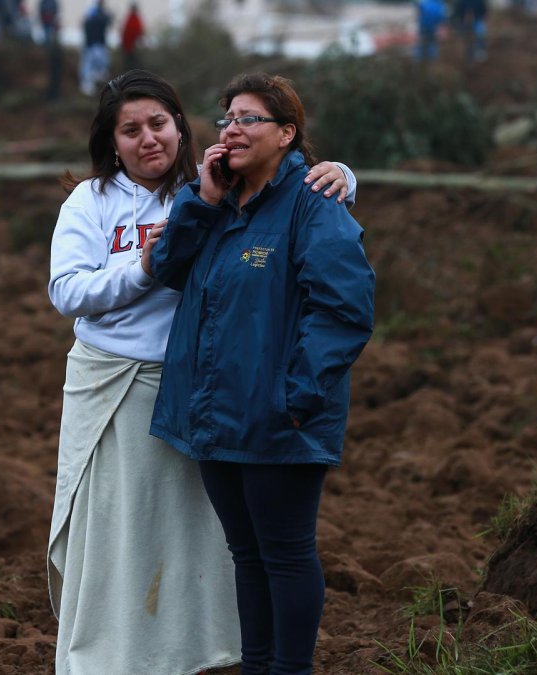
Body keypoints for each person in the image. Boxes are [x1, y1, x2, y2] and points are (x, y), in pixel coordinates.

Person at [46, 69, 358, 675]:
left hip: (210, 387)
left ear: (180, 127)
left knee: (213, 540)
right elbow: (67, 291)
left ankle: (203, 655)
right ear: (113, 143)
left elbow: (301, 212)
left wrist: (342, 175)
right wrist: (142, 268)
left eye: (158, 123)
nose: (148, 138)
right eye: (130, 130)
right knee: (122, 529)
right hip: (118, 383)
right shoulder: (95, 201)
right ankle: (113, 656)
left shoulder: (216, 183)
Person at [147, 73, 375, 675]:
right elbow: (167, 266)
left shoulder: (313, 202)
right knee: (246, 554)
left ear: (287, 133)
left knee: (286, 553)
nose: (232, 130)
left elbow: (343, 309)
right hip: (215, 412)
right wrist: (202, 200)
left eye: (249, 119)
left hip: (278, 417)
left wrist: (296, 398)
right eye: (227, 119)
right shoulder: (219, 201)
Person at [79, 0, 113, 95]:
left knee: (100, 68)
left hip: (97, 44)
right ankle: (88, 87)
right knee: (90, 67)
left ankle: (95, 87)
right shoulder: (93, 13)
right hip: (93, 45)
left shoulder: (100, 13)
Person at [120, 3, 145, 71]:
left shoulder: (133, 19)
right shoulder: (131, 19)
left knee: (132, 63)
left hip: (132, 46)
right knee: (130, 63)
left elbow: (138, 32)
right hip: (129, 46)